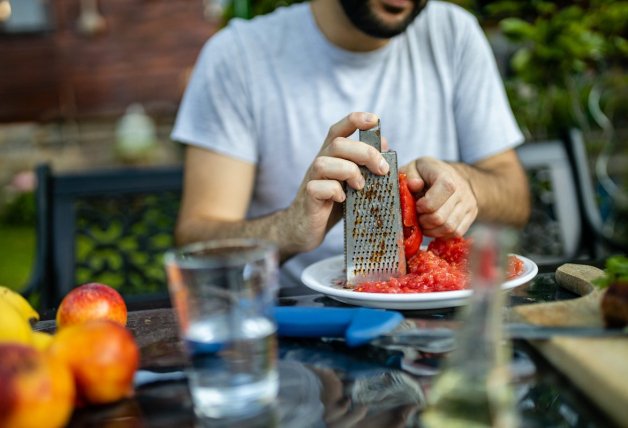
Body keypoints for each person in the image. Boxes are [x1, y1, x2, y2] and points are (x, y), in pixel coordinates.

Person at [171, 0, 531, 292]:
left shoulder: (453, 33)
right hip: (299, 315)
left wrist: (466, 183)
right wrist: (288, 229)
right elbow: (195, 243)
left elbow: (513, 196)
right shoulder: (237, 56)